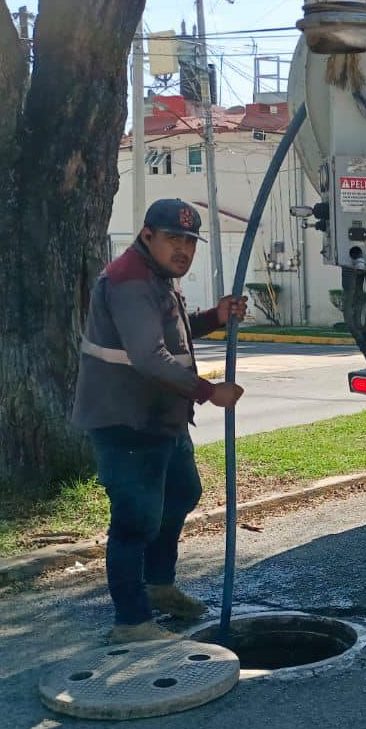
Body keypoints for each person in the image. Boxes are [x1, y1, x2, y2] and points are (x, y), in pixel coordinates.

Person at [71, 198, 246, 644]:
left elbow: (170, 328)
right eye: (174, 238)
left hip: (160, 419)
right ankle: (132, 623)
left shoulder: (156, 276)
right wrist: (209, 392)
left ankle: (159, 585)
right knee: (134, 521)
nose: (183, 249)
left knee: (183, 493)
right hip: (127, 422)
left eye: (189, 240)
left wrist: (214, 317)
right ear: (147, 235)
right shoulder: (129, 280)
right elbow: (149, 356)